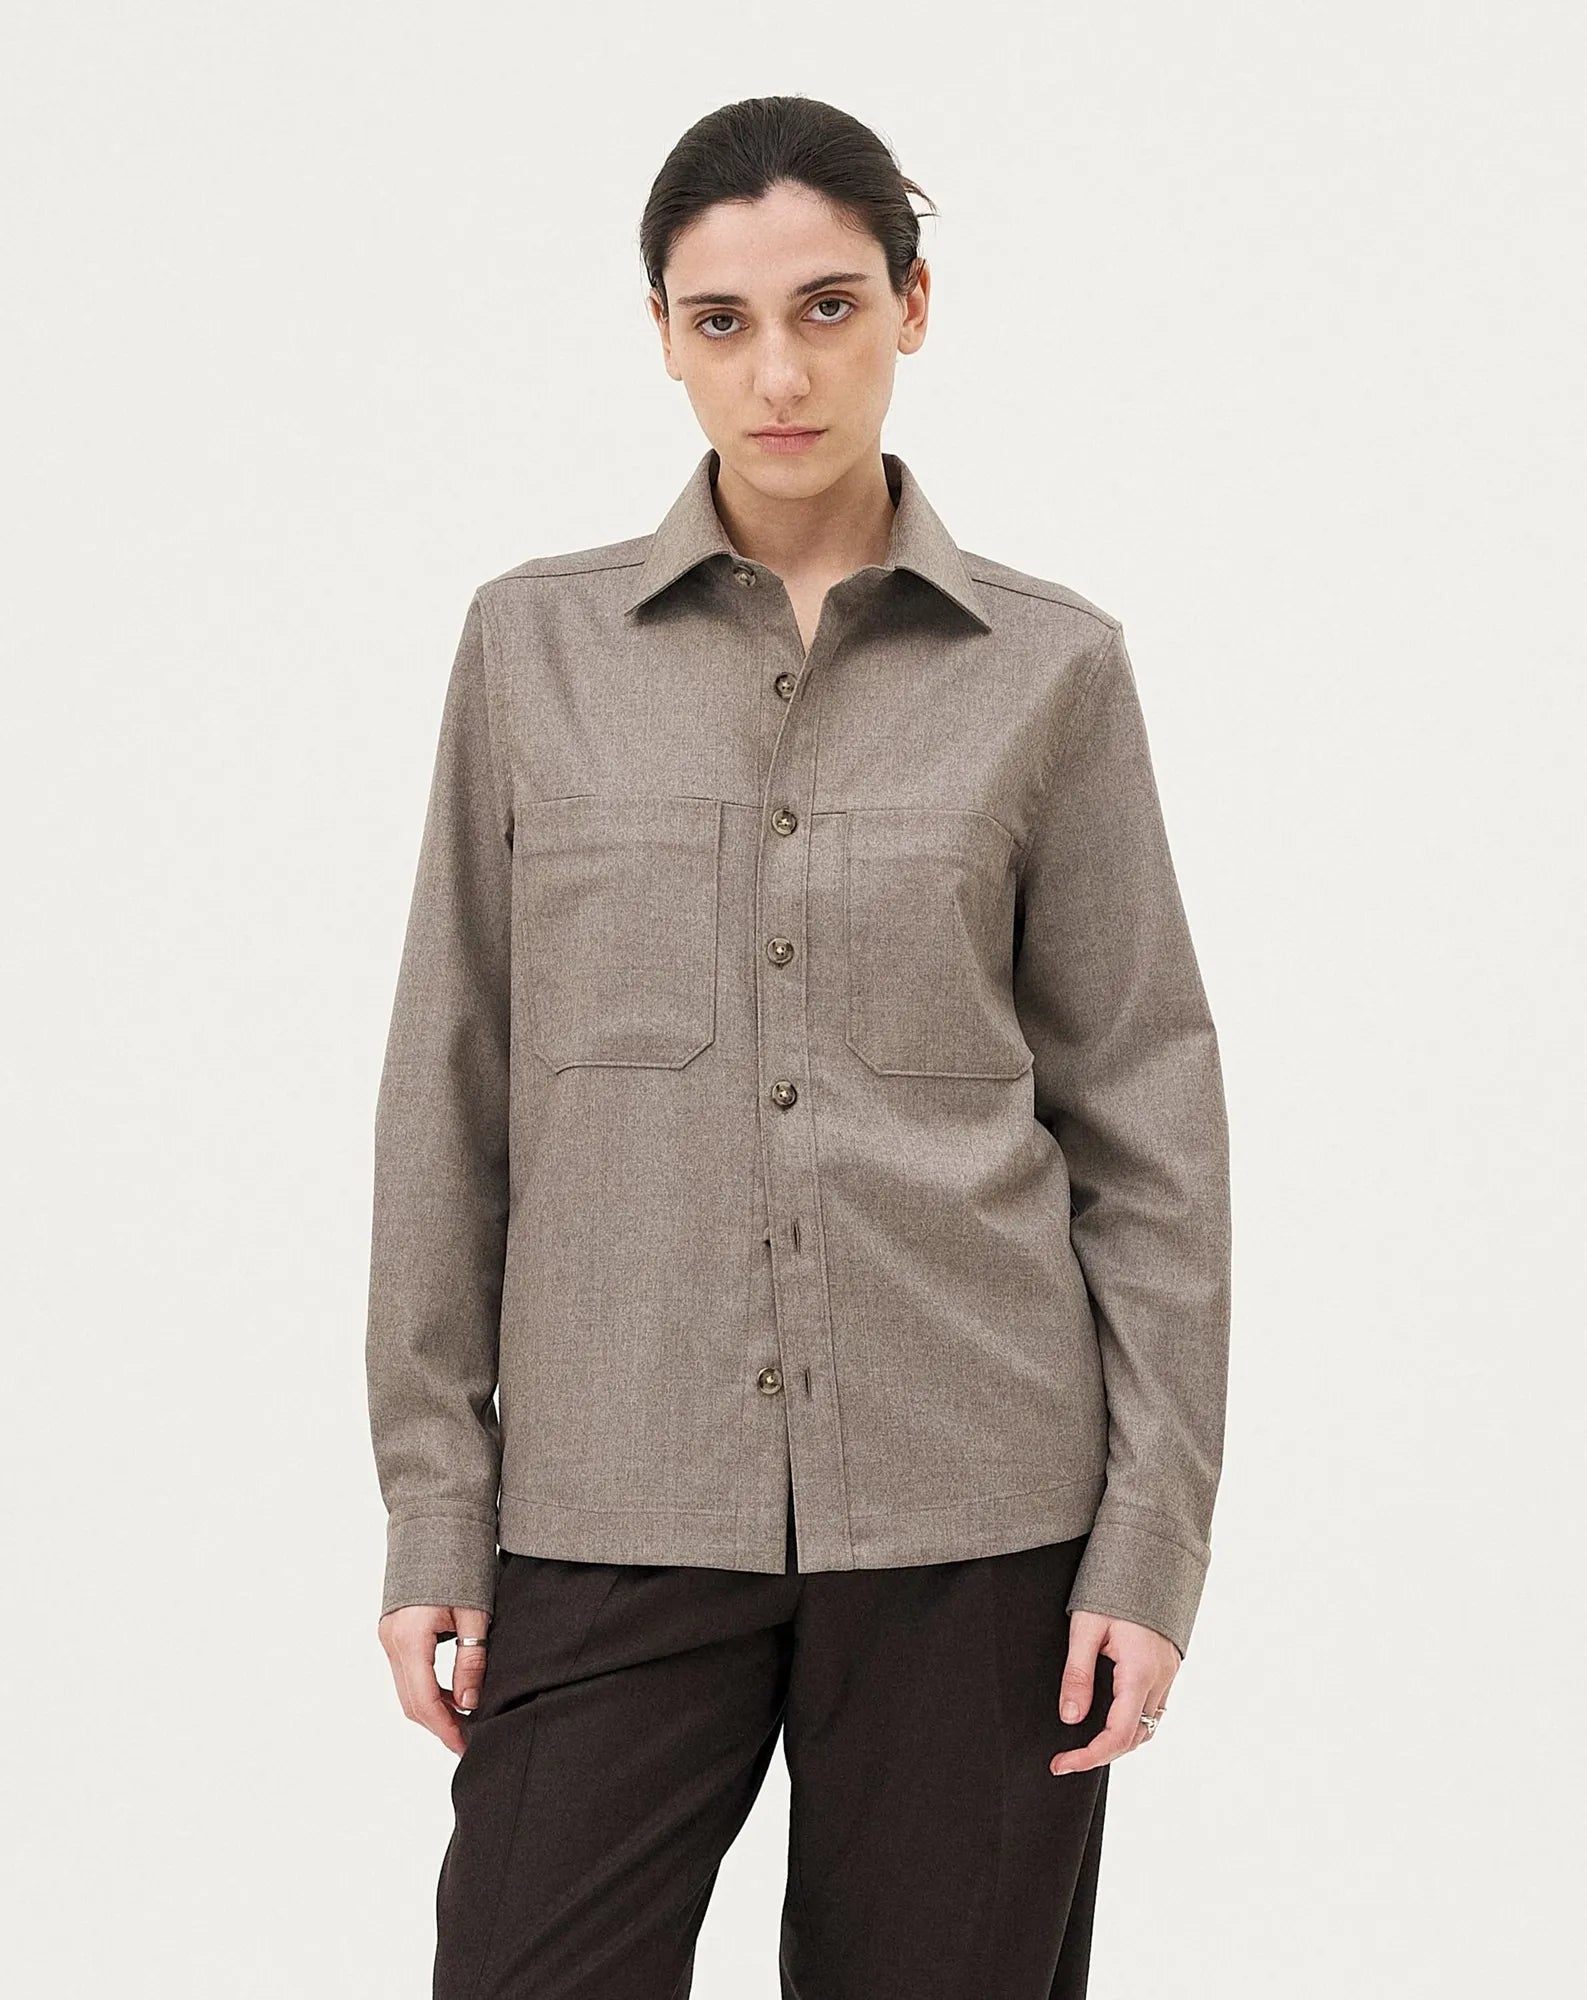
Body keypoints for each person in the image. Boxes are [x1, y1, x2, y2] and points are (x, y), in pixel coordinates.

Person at [365, 93, 1232, 2000]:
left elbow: (1148, 1129)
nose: (780, 371)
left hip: (976, 1513)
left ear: (912, 307)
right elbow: (450, 1087)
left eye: (829, 307)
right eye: (725, 320)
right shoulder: (532, 651)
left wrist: (1147, 1546)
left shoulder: (1053, 669)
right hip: (609, 1486)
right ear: (662, 336)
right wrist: (437, 1503)